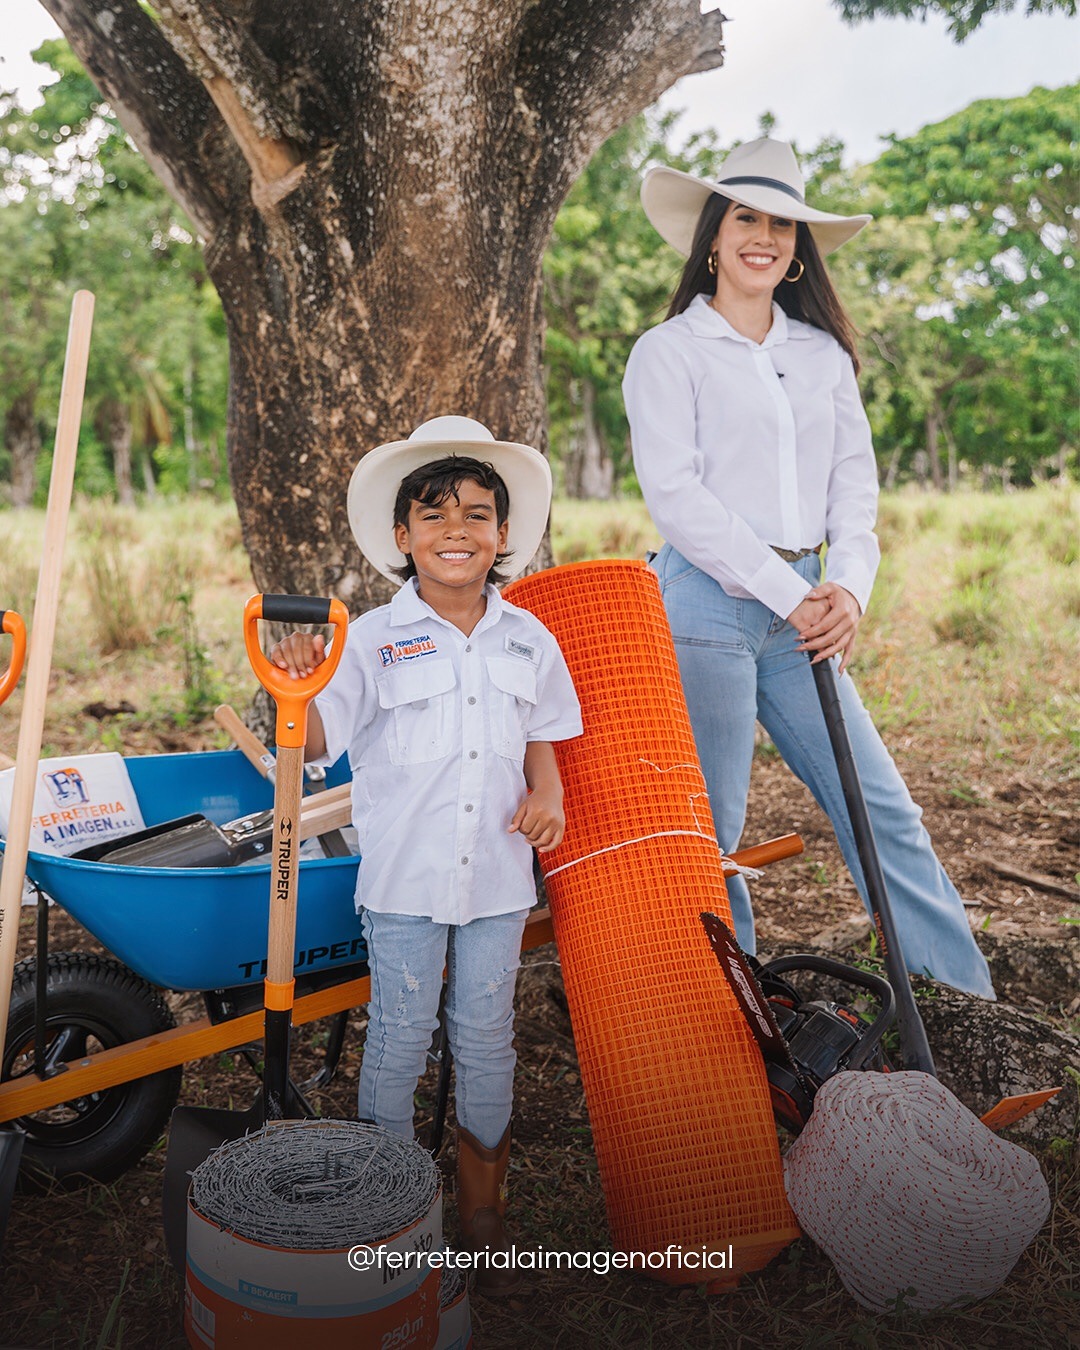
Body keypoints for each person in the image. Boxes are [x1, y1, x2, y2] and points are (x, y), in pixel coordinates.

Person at [623, 138, 994, 1000]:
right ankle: (733, 1034)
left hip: (810, 612)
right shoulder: (668, 352)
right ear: (713, 236)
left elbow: (853, 491)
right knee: (713, 832)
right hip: (705, 603)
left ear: (798, 248)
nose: (765, 237)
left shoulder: (822, 356)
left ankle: (960, 1009)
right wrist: (797, 596)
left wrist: (849, 591)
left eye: (782, 224)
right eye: (745, 217)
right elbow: (678, 500)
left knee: (879, 808)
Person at [270, 415, 583, 1293]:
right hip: (404, 882)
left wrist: (548, 795)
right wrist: (298, 685)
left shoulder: (530, 640)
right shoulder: (369, 639)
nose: (458, 532)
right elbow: (319, 735)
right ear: (401, 536)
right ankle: (390, 1209)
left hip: (494, 881)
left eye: (478, 515)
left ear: (506, 536)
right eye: (435, 517)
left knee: (486, 1041)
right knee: (401, 1039)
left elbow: (545, 733)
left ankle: (484, 1215)